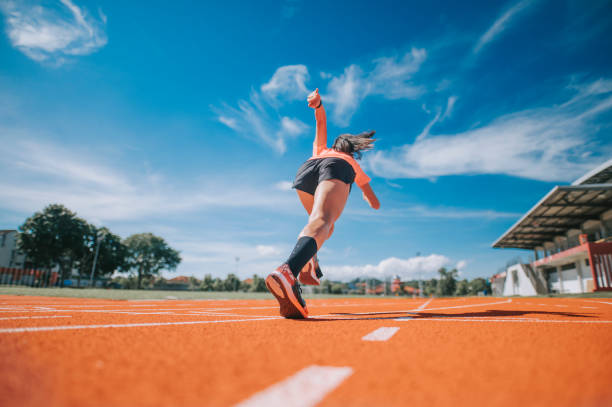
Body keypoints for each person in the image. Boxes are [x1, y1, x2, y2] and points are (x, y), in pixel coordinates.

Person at [265, 88, 380, 319]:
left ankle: (309, 257)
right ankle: (289, 271)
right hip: (334, 170)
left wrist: (318, 105)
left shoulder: (321, 149)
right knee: (324, 222)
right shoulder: (350, 162)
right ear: (352, 149)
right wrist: (369, 198)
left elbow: (320, 123)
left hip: (305, 172)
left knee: (321, 224)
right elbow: (373, 199)